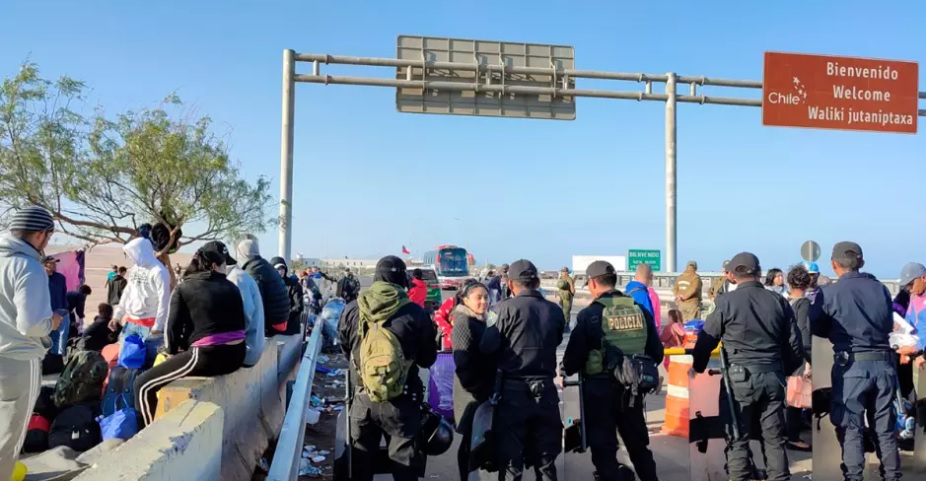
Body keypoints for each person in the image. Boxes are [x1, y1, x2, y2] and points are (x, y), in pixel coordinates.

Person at [691, 252, 804, 481]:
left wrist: (699, 366)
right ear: (759, 273)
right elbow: (794, 346)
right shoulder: (779, 301)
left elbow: (705, 341)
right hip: (773, 377)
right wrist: (784, 371)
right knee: (774, 439)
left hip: (738, 381)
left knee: (737, 438)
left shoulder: (724, 302)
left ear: (731, 276)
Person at [561, 260, 664, 481]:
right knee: (639, 448)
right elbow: (657, 353)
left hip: (599, 391)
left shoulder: (590, 315)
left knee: (604, 450)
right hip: (632, 391)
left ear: (592, 283)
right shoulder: (640, 310)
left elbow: (571, 361)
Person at [338, 256, 437, 481]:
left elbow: (345, 350)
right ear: (402, 279)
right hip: (403, 402)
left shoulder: (353, 309)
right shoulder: (415, 313)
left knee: (360, 467)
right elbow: (427, 360)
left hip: (363, 399)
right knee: (405, 469)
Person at [810, 242, 900, 481]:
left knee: (851, 426)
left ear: (834, 264)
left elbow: (815, 324)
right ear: (861, 262)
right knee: (885, 427)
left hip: (850, 367)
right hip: (884, 365)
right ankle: (892, 476)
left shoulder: (829, 293)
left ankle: (854, 476)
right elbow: (888, 322)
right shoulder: (880, 289)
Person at [134, 242, 247, 428]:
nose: (226, 268)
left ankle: (145, 436)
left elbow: (172, 330)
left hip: (209, 357)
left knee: (142, 385)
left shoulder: (184, 287)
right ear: (213, 265)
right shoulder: (231, 287)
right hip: (237, 356)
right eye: (224, 264)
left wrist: (171, 352)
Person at [479, 259, 565, 480]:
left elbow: (486, 347)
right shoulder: (555, 311)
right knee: (546, 463)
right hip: (546, 391)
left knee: (511, 463)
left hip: (513, 394)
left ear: (510, 283)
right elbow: (555, 340)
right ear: (536, 281)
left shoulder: (500, 310)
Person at [0, 206, 63, 481]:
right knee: (8, 435)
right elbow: (30, 325)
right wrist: (53, 323)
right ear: (40, 235)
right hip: (18, 360)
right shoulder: (28, 267)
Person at [450, 280, 495, 481]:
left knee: (476, 438)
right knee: (469, 440)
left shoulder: (480, 320)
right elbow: (463, 361)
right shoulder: (463, 322)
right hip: (470, 393)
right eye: (479, 298)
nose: (484, 301)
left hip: (480, 390)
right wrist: (477, 390)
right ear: (466, 300)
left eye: (486, 297)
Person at [108, 237, 172, 359]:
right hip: (131, 323)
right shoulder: (135, 269)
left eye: (132, 254)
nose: (131, 257)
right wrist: (117, 315)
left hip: (150, 326)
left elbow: (164, 300)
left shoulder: (159, 271)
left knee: (147, 364)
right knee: (125, 360)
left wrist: (158, 326)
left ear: (140, 252)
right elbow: (127, 292)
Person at [221, 241, 266, 368]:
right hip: (253, 345)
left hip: (247, 350)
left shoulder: (237, 279)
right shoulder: (238, 275)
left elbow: (245, 315)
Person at [236, 235, 290, 335]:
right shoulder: (263, 265)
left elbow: (257, 302)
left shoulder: (254, 270)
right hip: (280, 320)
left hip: (272, 324)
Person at [785, 264, 813, 451]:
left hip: (786, 353)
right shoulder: (804, 305)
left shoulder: (785, 303)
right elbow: (804, 333)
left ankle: (790, 431)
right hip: (798, 355)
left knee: (791, 395)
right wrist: (809, 360)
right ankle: (793, 436)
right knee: (796, 396)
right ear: (808, 283)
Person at [42, 255, 69, 374]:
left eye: (55, 263)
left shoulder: (61, 278)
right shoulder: (39, 278)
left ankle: (57, 363)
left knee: (60, 338)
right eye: (52, 263)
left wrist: (65, 309)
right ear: (45, 264)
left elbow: (64, 294)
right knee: (45, 338)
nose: (54, 265)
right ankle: (45, 363)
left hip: (60, 312)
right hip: (45, 313)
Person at [271, 256, 305, 336]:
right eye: (277, 269)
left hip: (289, 329)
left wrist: (283, 318)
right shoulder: (268, 285)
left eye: (282, 268)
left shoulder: (294, 285)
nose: (280, 271)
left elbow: (298, 306)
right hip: (271, 329)